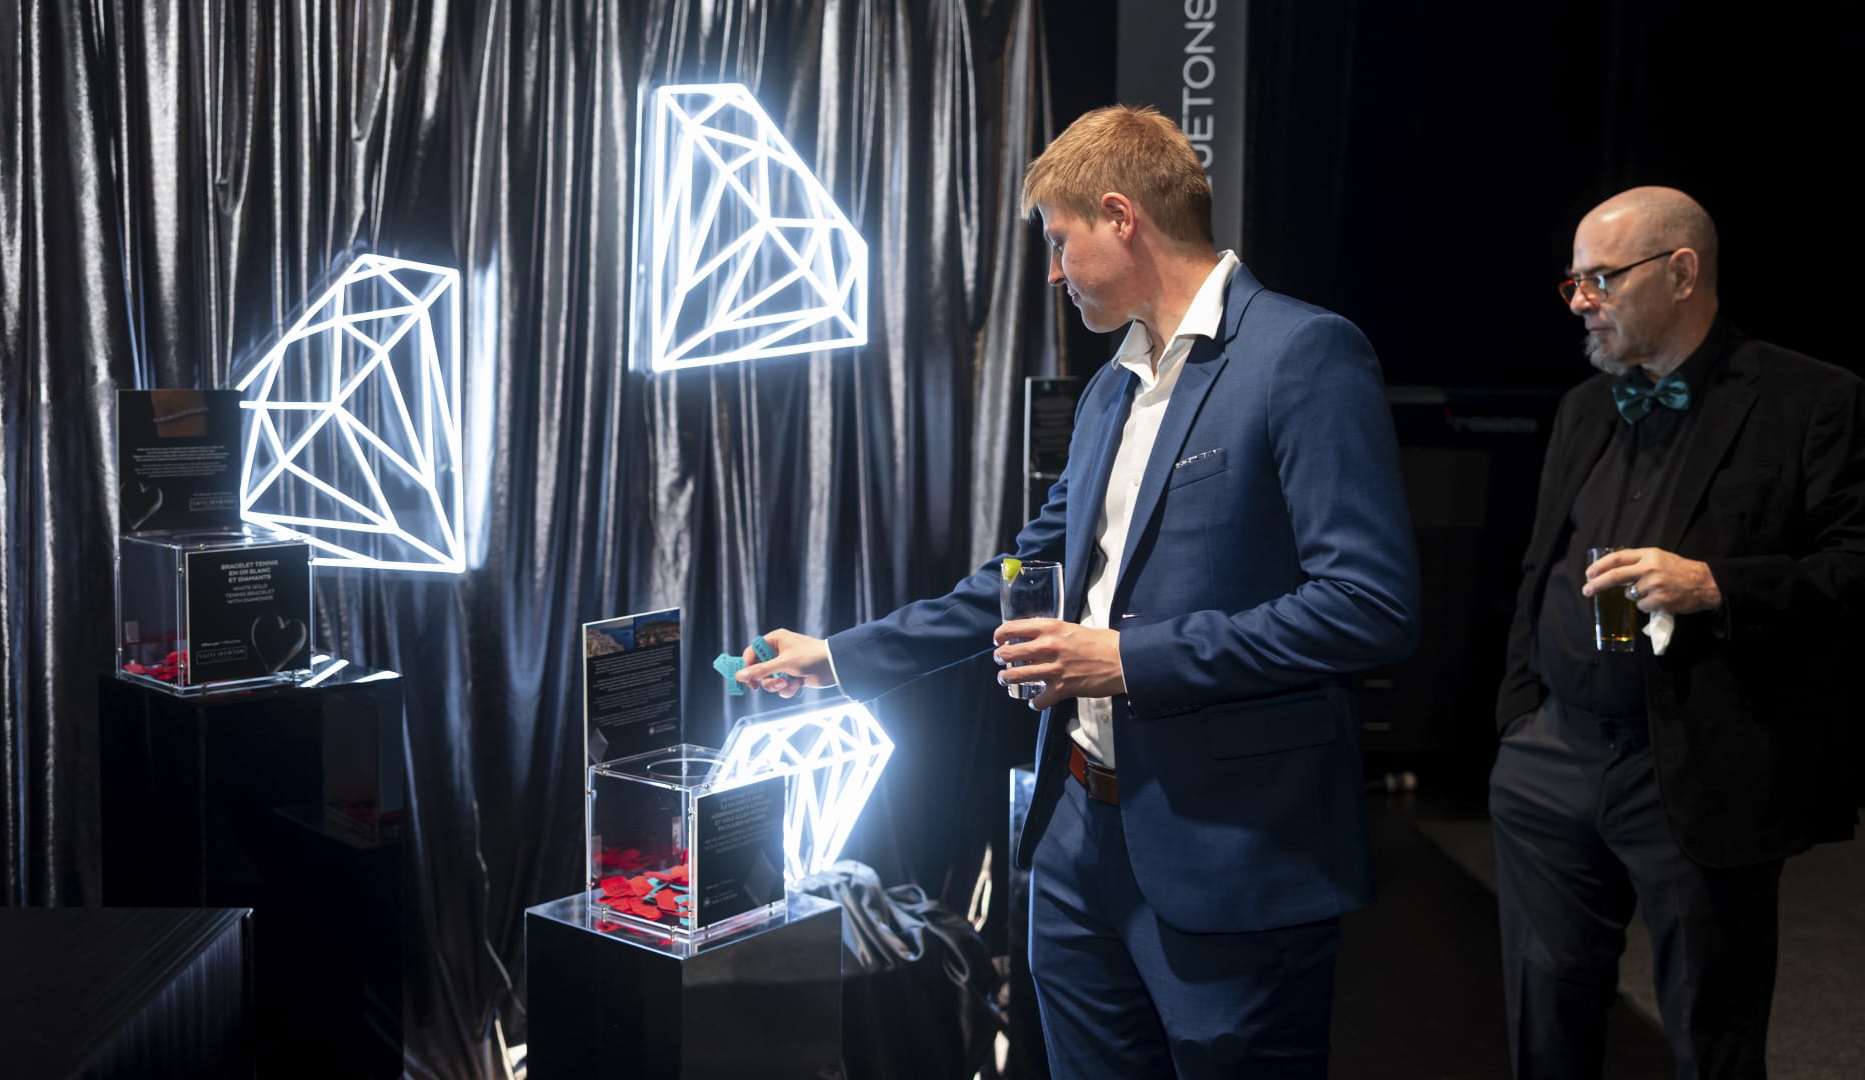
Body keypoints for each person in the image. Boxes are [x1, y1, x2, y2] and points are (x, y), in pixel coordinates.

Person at [735, 105, 1419, 1077]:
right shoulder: (1110, 389)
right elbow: (1018, 576)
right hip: (1074, 843)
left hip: (1233, 849)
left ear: (1120, 217)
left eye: (1060, 242)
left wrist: (1127, 659)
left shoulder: (1303, 353)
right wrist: (839, 658)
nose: (1054, 272)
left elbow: (1369, 605)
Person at [1492, 186, 1863, 1079]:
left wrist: (1716, 585)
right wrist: (1520, 719)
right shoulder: (1586, 406)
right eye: (1574, 282)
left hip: (1697, 764)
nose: (1581, 301)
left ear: (1683, 272)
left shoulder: (1811, 399)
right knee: (1545, 1023)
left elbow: (1854, 567)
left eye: (1602, 279)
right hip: (1553, 758)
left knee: (1712, 1031)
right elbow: (1539, 566)